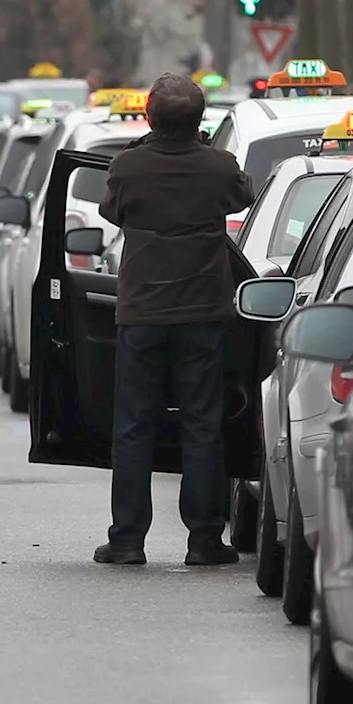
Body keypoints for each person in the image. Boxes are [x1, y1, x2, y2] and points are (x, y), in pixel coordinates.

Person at [93, 73, 255, 567]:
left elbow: (111, 209)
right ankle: (203, 539)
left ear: (149, 118)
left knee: (134, 426)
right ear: (200, 121)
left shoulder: (128, 166)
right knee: (202, 424)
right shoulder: (218, 166)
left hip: (141, 313)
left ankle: (127, 539)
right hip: (203, 313)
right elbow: (242, 195)